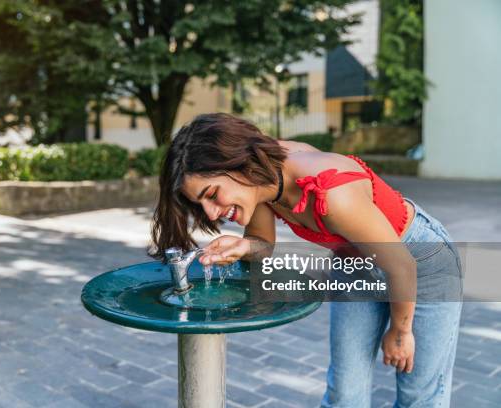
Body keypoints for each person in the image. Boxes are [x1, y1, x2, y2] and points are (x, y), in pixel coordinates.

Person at [150, 113, 462, 407]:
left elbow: (400, 265)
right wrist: (244, 246)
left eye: (212, 194)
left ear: (239, 164)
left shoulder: (333, 193)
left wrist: (400, 331)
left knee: (419, 396)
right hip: (357, 267)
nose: (211, 213)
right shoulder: (260, 184)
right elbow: (263, 244)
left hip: (421, 263)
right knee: (344, 394)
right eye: (200, 204)